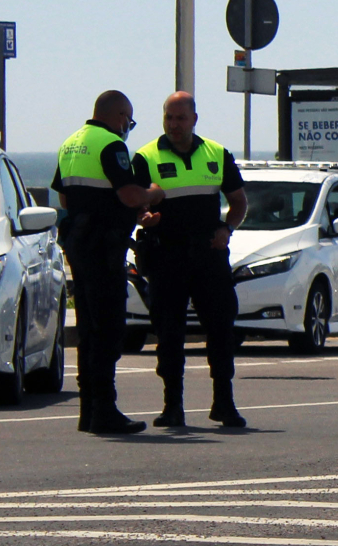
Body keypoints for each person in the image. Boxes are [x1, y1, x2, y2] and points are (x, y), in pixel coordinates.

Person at [135, 91, 248, 430]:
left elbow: (239, 201)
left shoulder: (216, 153)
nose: (174, 125)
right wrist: (145, 217)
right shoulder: (145, 157)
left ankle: (224, 403)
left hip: (208, 255)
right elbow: (135, 205)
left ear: (194, 119)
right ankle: (173, 406)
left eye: (181, 118)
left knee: (221, 328)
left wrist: (227, 228)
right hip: (166, 254)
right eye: (169, 117)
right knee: (169, 333)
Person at [53, 91, 154, 435]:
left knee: (88, 329)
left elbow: (64, 197)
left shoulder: (71, 143)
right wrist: (153, 193)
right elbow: (129, 194)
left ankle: (89, 410)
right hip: (104, 247)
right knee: (109, 329)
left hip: (79, 245)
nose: (128, 127)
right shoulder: (111, 145)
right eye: (129, 120)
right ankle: (105, 410)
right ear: (121, 116)